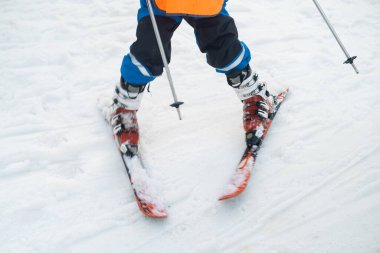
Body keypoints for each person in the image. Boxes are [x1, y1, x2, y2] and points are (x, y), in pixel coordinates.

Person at [110, 0, 275, 157]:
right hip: (162, 4)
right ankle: (125, 105)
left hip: (204, 3)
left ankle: (253, 93)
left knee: (224, 48)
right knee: (149, 52)